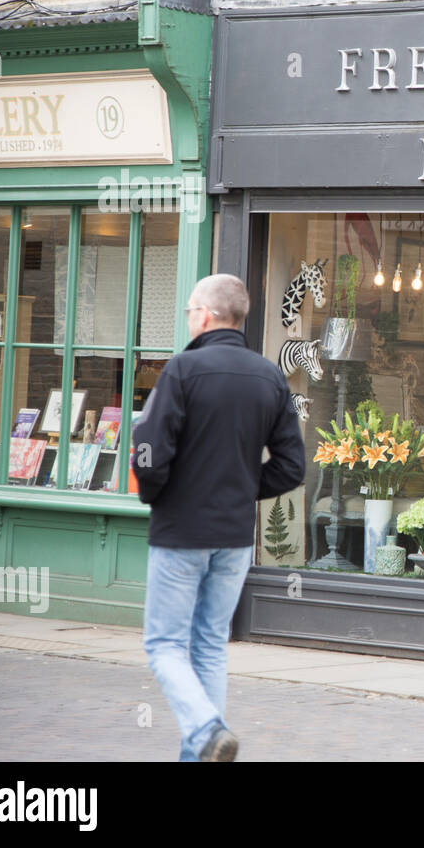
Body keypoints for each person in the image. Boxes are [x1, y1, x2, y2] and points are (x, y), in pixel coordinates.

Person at [134, 275, 305, 761]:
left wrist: (157, 496)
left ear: (206, 314)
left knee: (164, 644)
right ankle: (204, 751)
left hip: (181, 532)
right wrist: (245, 488)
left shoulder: (182, 371)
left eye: (190, 310)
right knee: (209, 645)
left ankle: (207, 729)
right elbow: (293, 467)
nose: (189, 318)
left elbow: (148, 452)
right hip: (235, 536)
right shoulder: (270, 376)